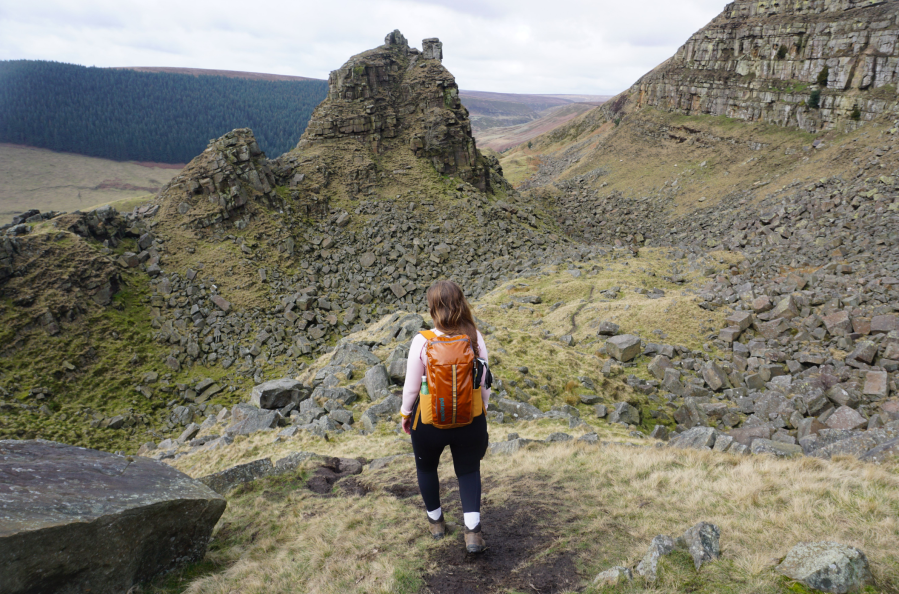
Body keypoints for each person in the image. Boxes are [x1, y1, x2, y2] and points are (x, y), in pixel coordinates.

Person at [401, 280, 490, 553]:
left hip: (429, 421)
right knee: (468, 470)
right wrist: (482, 412)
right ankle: (473, 534)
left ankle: (437, 524)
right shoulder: (474, 336)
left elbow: (412, 387)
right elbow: (484, 381)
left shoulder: (422, 340)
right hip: (469, 420)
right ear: (461, 303)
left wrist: (406, 414)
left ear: (432, 308)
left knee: (426, 468)